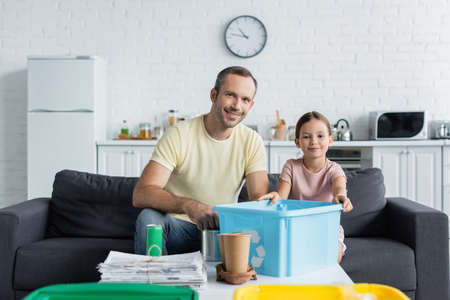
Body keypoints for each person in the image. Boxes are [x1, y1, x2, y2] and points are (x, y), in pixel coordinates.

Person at [133, 66, 269, 255]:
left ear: (251, 105)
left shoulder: (252, 141)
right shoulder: (179, 134)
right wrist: (189, 206)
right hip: (179, 230)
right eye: (230, 95)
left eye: (245, 99)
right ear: (214, 95)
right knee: (148, 218)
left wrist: (271, 201)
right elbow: (141, 194)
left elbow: (258, 199)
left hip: (224, 233)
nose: (237, 106)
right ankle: (153, 283)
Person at [257, 111, 353, 263]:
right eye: (307, 136)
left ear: (330, 140)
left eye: (320, 136)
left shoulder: (334, 170)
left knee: (334, 255)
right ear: (297, 142)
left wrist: (341, 196)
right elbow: (281, 196)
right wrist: (276, 196)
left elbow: (339, 189)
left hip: (326, 227)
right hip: (296, 227)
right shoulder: (291, 166)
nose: (313, 141)